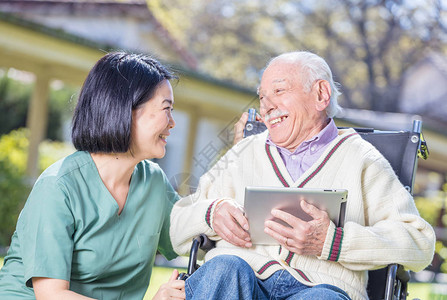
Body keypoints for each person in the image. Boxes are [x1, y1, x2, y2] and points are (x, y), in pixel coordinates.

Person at [169, 51, 436, 300]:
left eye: (279, 91)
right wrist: (211, 214)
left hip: (322, 287)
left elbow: (419, 242)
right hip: (239, 281)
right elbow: (178, 225)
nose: (267, 107)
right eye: (262, 97)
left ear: (321, 94)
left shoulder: (363, 160)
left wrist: (335, 242)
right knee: (223, 267)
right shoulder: (245, 151)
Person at [0, 52, 185, 299]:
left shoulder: (152, 181)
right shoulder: (58, 186)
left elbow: (194, 233)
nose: (172, 123)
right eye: (166, 109)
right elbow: (52, 295)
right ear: (126, 110)